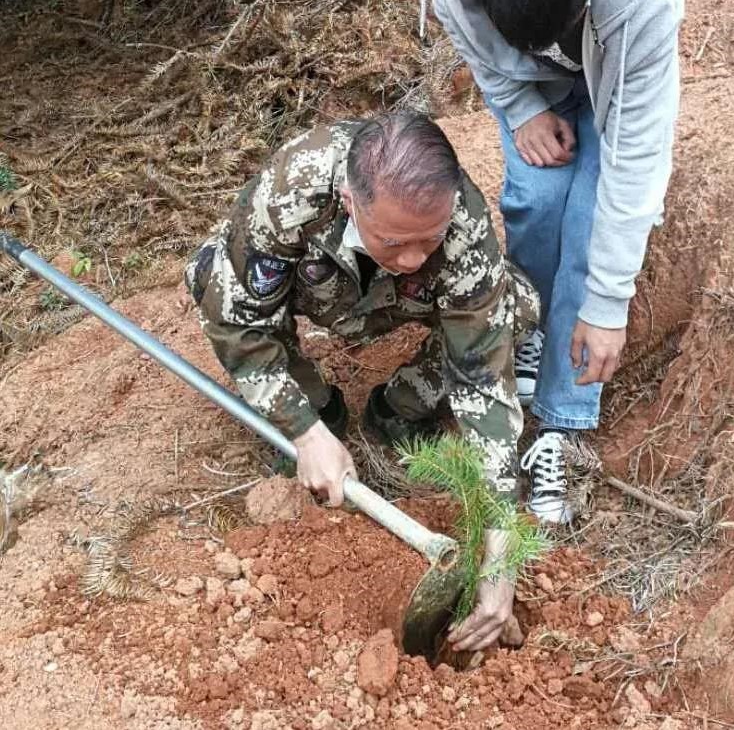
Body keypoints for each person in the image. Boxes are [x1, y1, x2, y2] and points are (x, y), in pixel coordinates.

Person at [185, 110, 538, 653]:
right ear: (351, 202)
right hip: (316, 291)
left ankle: (399, 404)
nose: (416, 256)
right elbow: (241, 323)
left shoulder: (461, 221)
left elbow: (483, 377)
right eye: (396, 240)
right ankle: (323, 409)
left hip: (397, 304)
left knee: (514, 308)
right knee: (214, 278)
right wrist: (303, 429)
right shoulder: (293, 189)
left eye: (430, 239)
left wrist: (499, 549)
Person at [419, 0, 684, 523]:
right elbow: (462, 27)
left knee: (588, 214)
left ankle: (562, 424)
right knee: (536, 198)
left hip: (612, 77)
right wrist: (521, 104)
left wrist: (608, 304)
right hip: (527, 88)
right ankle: (529, 322)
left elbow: (635, 156)